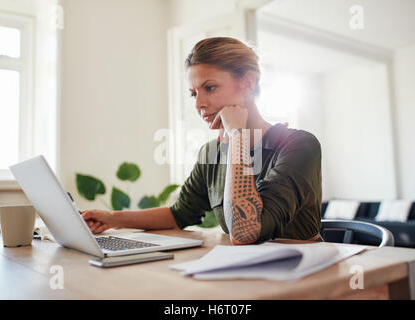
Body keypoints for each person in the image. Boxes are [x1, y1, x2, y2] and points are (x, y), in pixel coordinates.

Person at [82, 37, 323, 245]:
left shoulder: (299, 145)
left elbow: (245, 233)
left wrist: (237, 133)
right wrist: (111, 219)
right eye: (193, 93)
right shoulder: (212, 152)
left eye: (210, 87)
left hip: (305, 276)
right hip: (246, 272)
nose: (198, 105)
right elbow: (179, 215)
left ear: (247, 83)